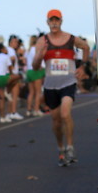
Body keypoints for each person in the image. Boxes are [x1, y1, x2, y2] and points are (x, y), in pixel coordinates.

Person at [32, 10, 89, 166]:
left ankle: (70, 146)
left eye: (57, 20)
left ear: (61, 21)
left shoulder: (70, 39)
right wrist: (40, 55)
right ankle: (61, 148)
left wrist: (82, 66)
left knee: (65, 114)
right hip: (50, 86)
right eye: (52, 20)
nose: (54, 23)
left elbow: (85, 47)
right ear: (47, 22)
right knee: (56, 122)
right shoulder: (42, 41)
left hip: (68, 83)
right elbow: (35, 67)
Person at [25, 34, 44, 116]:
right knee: (38, 92)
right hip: (35, 70)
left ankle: (28, 110)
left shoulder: (28, 50)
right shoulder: (36, 49)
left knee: (31, 92)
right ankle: (36, 109)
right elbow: (37, 59)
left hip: (29, 71)